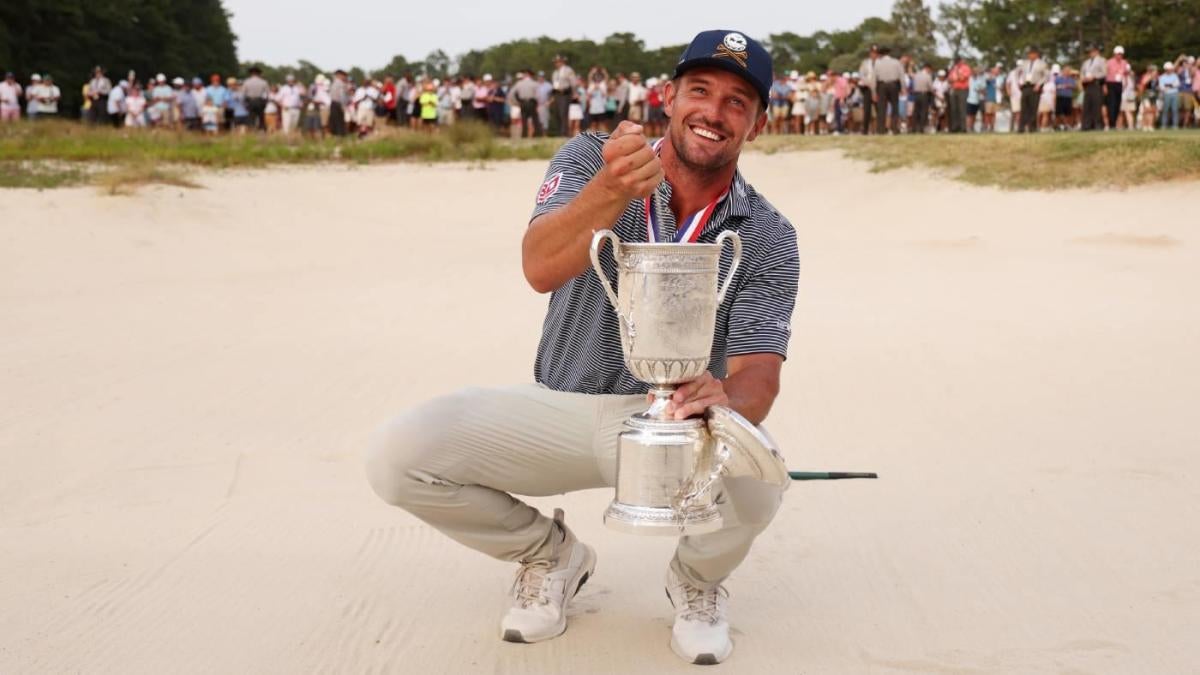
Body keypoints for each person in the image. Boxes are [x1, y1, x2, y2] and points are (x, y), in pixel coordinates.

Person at [366, 28, 796, 667]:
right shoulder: (590, 157)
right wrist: (612, 190)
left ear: (757, 124)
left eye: (738, 101)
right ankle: (550, 555)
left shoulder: (767, 232)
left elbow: (759, 371)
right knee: (398, 457)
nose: (714, 111)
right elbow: (538, 265)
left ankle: (697, 583)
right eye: (700, 91)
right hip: (560, 409)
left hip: (672, 428)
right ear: (669, 98)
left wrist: (725, 400)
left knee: (762, 477)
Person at [1016, 46, 1048, 133]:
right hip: (1025, 86)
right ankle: (1021, 127)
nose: (1030, 55)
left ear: (1036, 54)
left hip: (1035, 86)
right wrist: (1019, 82)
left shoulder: (1042, 64)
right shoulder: (1025, 63)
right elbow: (1017, 72)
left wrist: (1039, 84)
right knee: (1024, 107)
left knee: (1033, 108)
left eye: (1031, 53)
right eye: (1029, 54)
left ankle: (1032, 127)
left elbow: (1046, 76)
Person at [873, 45, 903, 134]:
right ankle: (894, 128)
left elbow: (874, 78)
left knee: (882, 108)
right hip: (894, 85)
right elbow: (901, 75)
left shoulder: (877, 63)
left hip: (882, 85)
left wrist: (874, 91)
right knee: (895, 107)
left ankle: (881, 129)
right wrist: (903, 88)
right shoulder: (896, 62)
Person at [1080, 44, 1106, 131]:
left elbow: (1104, 73)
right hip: (1087, 85)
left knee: (1096, 105)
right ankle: (1086, 125)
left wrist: (1094, 77)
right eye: (1090, 51)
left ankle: (1098, 124)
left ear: (1097, 51)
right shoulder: (1086, 62)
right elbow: (1082, 72)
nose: (1091, 53)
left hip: (1096, 83)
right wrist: (1083, 78)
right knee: (1087, 105)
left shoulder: (1102, 60)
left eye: (1092, 51)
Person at [510, 70, 542, 138]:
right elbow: (539, 95)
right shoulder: (535, 83)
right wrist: (537, 103)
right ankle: (537, 135)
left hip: (523, 102)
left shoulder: (519, 83)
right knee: (535, 119)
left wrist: (516, 102)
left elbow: (511, 94)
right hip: (532, 102)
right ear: (530, 75)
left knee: (524, 120)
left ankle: (524, 135)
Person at [550, 56, 576, 137]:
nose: (556, 63)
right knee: (557, 113)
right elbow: (554, 84)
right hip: (556, 93)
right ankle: (559, 132)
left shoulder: (568, 70)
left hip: (564, 93)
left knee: (563, 113)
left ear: (562, 62)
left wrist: (574, 92)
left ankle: (564, 133)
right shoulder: (555, 72)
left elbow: (573, 82)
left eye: (558, 62)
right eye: (555, 62)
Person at [1105, 46, 1127, 130]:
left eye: (1121, 54)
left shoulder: (1124, 62)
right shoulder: (1109, 62)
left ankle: (1114, 123)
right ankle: (1111, 123)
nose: (1119, 56)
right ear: (1115, 54)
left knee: (1117, 104)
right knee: (1112, 104)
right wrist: (1105, 86)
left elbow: (1125, 74)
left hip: (1119, 84)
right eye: (1118, 54)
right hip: (1111, 84)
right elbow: (1106, 74)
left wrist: (1125, 83)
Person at [858, 44, 878, 134]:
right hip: (867, 87)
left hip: (878, 88)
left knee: (879, 109)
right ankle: (865, 129)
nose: (874, 55)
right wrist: (868, 83)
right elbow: (861, 75)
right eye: (872, 53)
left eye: (875, 53)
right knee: (867, 110)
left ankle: (880, 128)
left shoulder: (880, 63)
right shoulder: (865, 63)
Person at [947, 56, 971, 132]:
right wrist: (955, 77)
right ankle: (954, 127)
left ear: (961, 61)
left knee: (962, 109)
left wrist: (957, 73)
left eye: (958, 61)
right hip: (954, 89)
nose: (957, 63)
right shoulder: (953, 68)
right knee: (954, 109)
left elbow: (962, 79)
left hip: (962, 90)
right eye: (956, 61)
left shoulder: (966, 68)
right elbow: (949, 79)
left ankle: (963, 128)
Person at [243, 67, 269, 131]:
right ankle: (262, 131)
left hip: (250, 101)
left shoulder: (246, 82)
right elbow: (267, 94)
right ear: (259, 73)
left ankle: (252, 130)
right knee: (261, 117)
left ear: (251, 73)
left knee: (251, 117)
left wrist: (245, 103)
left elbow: (243, 94)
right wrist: (265, 103)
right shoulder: (264, 82)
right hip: (260, 101)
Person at [1158, 62, 1180, 130]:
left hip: (1174, 94)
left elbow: (1177, 84)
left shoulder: (1175, 76)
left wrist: (1168, 85)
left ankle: (1175, 125)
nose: (1169, 70)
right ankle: (1163, 125)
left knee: (1175, 110)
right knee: (1165, 110)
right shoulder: (1162, 77)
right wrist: (1171, 85)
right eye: (1168, 69)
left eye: (1170, 69)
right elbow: (1161, 87)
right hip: (1166, 94)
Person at [910, 64, 932, 133]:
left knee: (915, 112)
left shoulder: (916, 75)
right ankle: (921, 128)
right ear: (927, 68)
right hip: (924, 94)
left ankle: (913, 128)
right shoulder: (928, 76)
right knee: (923, 112)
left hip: (916, 95)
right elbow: (930, 87)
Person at [1138, 64, 1159, 131]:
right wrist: (1149, 77)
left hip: (1153, 95)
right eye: (1155, 71)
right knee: (1147, 110)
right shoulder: (1146, 76)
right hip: (1146, 95)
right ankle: (1145, 125)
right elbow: (1143, 84)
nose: (1156, 72)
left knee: (1152, 111)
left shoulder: (1156, 78)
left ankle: (1150, 125)